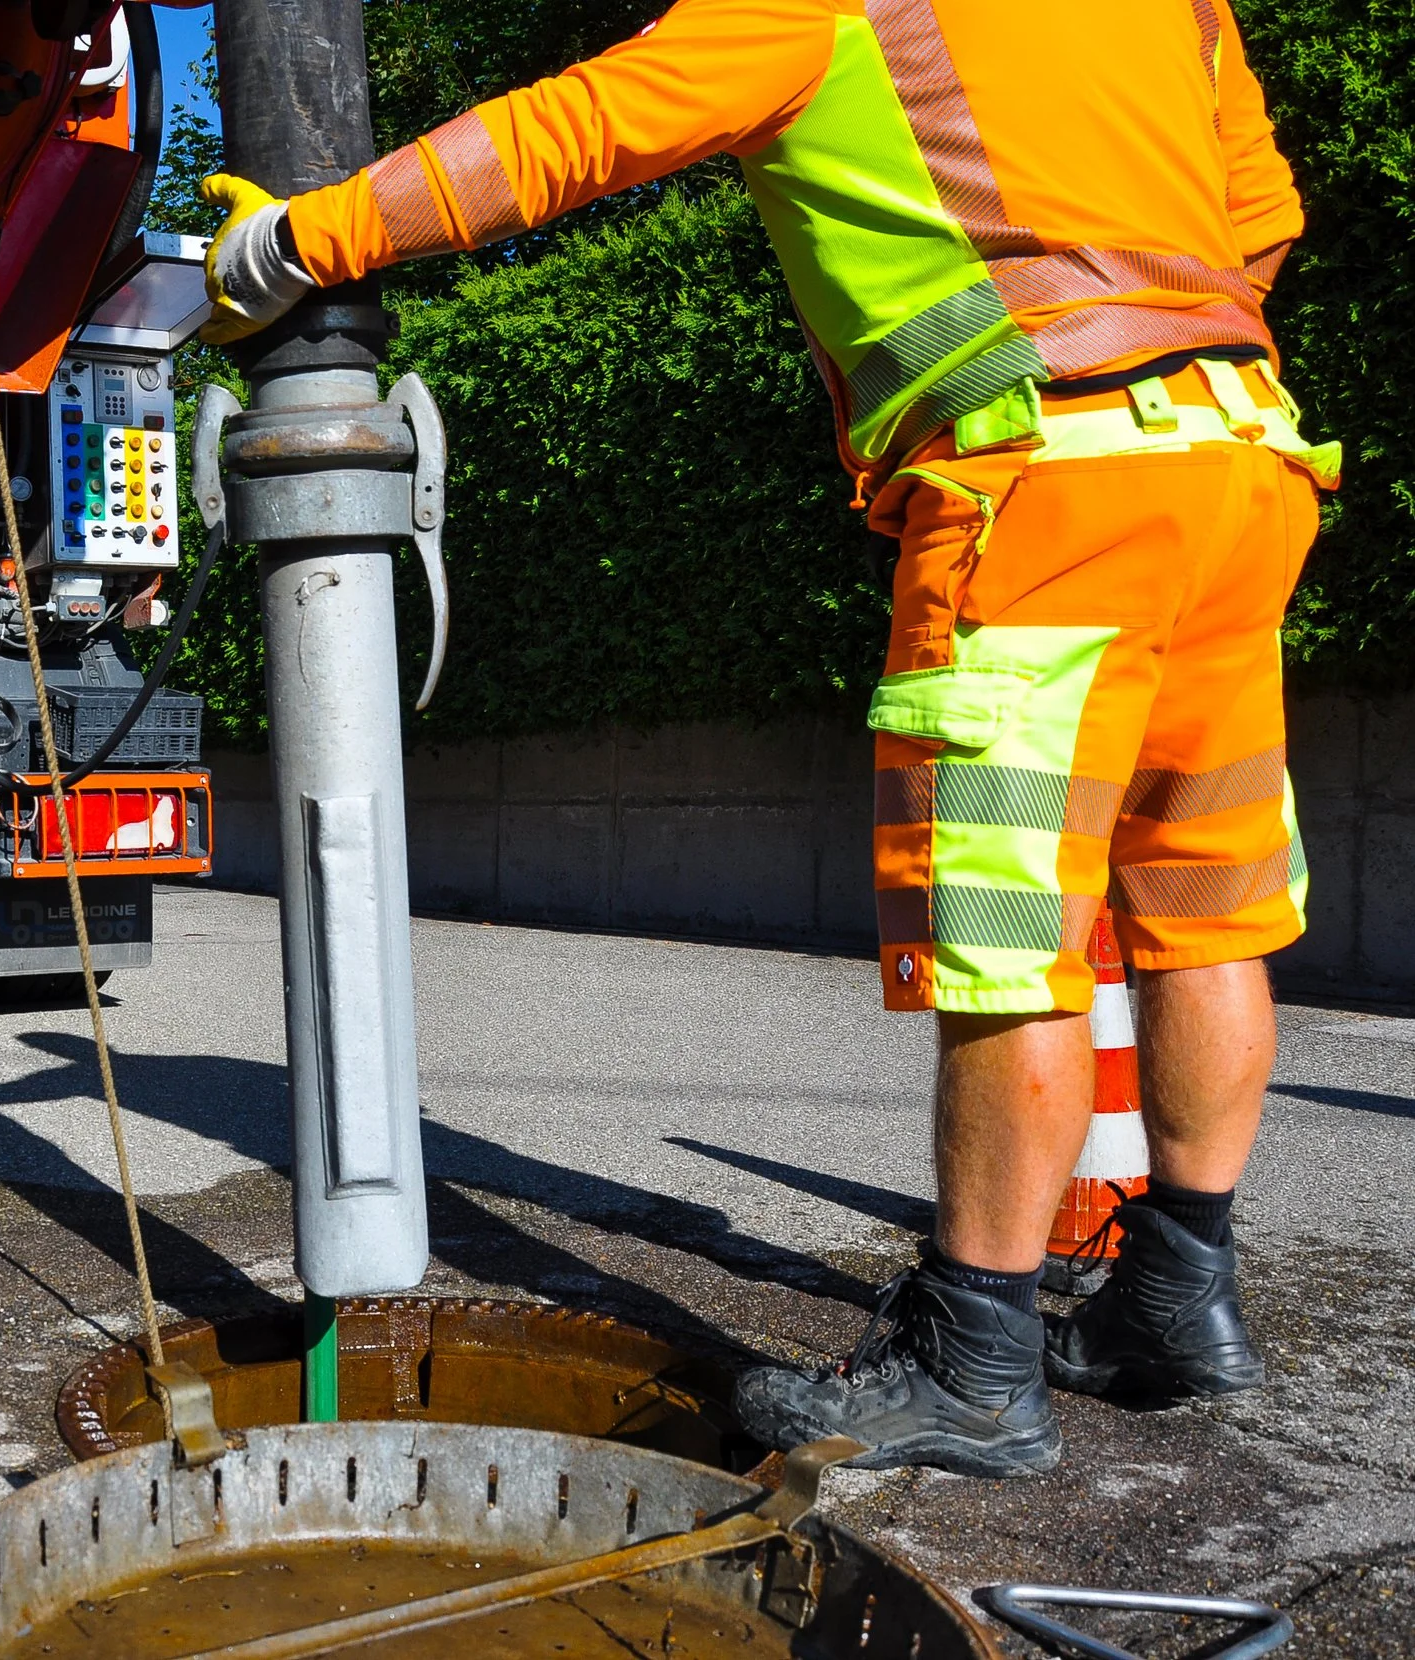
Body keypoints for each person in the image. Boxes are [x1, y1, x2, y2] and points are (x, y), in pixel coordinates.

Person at [200, 0, 1338, 1477]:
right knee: (1206, 905)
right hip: (1244, 460)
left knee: (1007, 932)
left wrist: (294, 245)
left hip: (1046, 486)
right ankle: (1180, 1301)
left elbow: (566, 135)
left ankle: (977, 1362)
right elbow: (1262, 217)